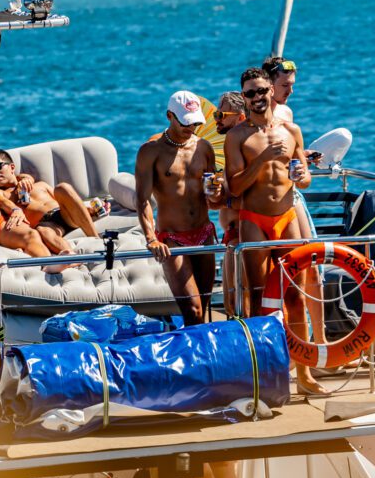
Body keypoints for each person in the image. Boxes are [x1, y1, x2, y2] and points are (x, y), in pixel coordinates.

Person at [225, 67, 325, 394]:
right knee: (257, 298)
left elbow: (305, 176)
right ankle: (263, 375)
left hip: (286, 215)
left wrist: (301, 175)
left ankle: (305, 376)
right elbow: (235, 186)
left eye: (261, 91)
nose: (256, 98)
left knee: (296, 296)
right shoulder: (237, 136)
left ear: (270, 91)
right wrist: (264, 158)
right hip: (254, 218)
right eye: (249, 93)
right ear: (245, 98)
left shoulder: (291, 130)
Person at [135, 90, 221, 324]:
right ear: (169, 116)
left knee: (203, 305)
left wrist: (216, 193)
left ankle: (203, 358)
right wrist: (151, 238)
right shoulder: (150, 151)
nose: (190, 128)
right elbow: (142, 200)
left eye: (195, 122)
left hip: (204, 233)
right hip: (172, 238)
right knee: (192, 310)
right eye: (185, 122)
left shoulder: (204, 148)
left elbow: (214, 200)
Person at [262, 57, 328, 347]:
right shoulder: (251, 117)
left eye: (292, 85)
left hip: (293, 194)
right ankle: (285, 341)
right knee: (282, 273)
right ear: (268, 84)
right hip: (268, 202)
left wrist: (305, 155)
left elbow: (290, 151)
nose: (290, 91)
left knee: (312, 265)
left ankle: (320, 339)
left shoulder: (287, 113)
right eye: (284, 85)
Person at [0, 149, 99, 256]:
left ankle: (97, 241)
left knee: (62, 188)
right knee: (43, 231)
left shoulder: (39, 185)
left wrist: (87, 209)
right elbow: (1, 202)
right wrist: (15, 209)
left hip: (64, 214)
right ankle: (73, 259)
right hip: (47, 225)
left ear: (12, 167)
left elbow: (65, 200)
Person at [0, 158, 51, 257]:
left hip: (2, 223)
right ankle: (2, 251)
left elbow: (15, 176)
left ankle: (50, 265)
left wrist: (26, 180)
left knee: (30, 235)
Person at [214, 91, 247, 316]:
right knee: (230, 303)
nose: (217, 119)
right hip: (231, 236)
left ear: (240, 118)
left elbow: (245, 196)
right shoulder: (232, 150)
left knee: (239, 303)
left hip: (242, 236)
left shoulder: (244, 150)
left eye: (221, 114)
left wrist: (222, 196)